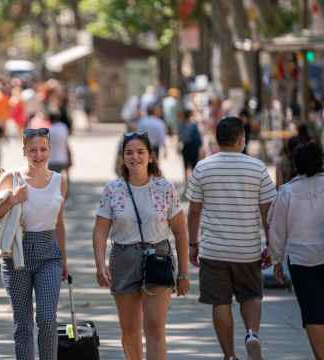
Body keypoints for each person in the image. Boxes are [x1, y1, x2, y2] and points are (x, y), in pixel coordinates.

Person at [93, 131, 190, 360]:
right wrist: (100, 264)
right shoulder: (112, 190)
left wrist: (184, 273)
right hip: (123, 258)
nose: (134, 157)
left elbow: (180, 231)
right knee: (130, 330)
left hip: (158, 256)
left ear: (151, 157)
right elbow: (100, 231)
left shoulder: (165, 188)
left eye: (140, 152)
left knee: (155, 327)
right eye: (129, 152)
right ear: (122, 158)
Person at [186, 116, 276, 360]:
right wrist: (271, 245)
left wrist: (193, 244)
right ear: (241, 139)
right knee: (251, 295)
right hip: (247, 247)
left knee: (220, 301)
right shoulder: (257, 168)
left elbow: (194, 211)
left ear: (217, 139)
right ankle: (252, 334)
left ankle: (229, 355)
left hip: (214, 249)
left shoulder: (203, 167)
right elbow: (268, 212)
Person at [0, 127, 68, 360]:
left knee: (47, 319)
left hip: (49, 255)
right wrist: (12, 199)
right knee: (22, 324)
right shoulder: (11, 178)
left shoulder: (60, 181)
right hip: (16, 255)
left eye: (43, 149)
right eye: (33, 150)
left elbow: (59, 222)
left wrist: (65, 260)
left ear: (50, 150)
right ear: (24, 151)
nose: (38, 155)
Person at [268, 142, 324, 359]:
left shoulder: (287, 192)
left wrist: (276, 260)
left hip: (301, 260)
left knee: (312, 312)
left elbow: (277, 230)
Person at [178, 109, 203, 183]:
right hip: (193, 147)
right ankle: (193, 181)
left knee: (185, 164)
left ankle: (186, 181)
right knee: (193, 165)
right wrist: (200, 146)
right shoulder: (193, 125)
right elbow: (198, 137)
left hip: (185, 146)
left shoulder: (180, 125)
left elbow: (180, 137)